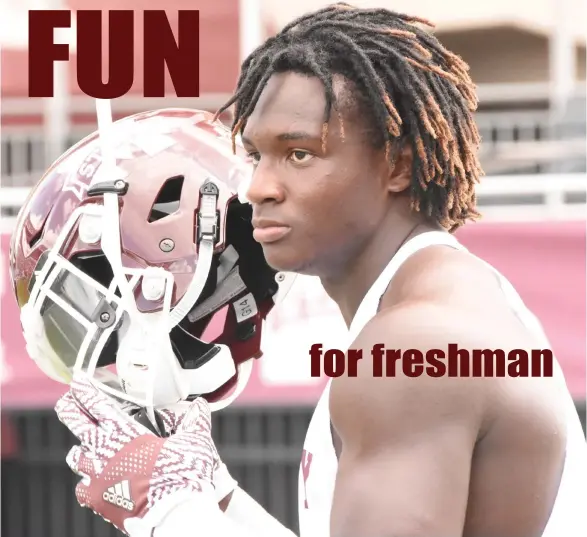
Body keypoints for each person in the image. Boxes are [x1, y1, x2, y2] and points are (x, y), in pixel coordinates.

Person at [17, 3, 587, 537]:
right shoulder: (436, 304)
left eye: (300, 154)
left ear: (398, 166)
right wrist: (216, 496)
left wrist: (171, 511)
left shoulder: (410, 345)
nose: (259, 187)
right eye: (257, 154)